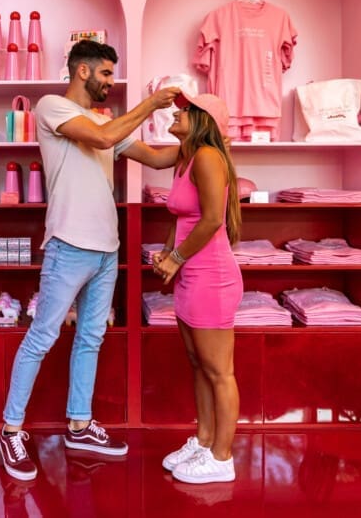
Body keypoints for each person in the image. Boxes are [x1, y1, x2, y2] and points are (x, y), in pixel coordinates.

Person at [0, 40, 183, 481]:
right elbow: (101, 136)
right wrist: (150, 103)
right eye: (104, 75)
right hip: (68, 245)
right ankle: (10, 429)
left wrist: (205, 141)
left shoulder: (106, 125)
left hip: (107, 249)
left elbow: (156, 159)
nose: (109, 83)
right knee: (42, 337)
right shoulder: (53, 109)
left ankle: (79, 424)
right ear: (82, 71)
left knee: (90, 339)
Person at [152, 91, 243, 484]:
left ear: (204, 120)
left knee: (220, 371)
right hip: (193, 275)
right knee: (199, 365)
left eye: (185, 109)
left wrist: (176, 258)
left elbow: (210, 221)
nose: (177, 111)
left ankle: (222, 458)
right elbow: (183, 217)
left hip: (212, 277)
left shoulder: (207, 157)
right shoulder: (185, 159)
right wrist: (168, 252)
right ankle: (204, 441)